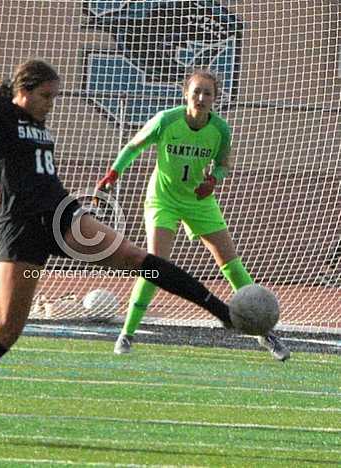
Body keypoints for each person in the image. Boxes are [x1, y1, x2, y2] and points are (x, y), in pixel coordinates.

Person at [0, 59, 238, 421]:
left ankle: (222, 312)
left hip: (62, 215)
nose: (52, 103)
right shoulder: (1, 110)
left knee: (138, 259)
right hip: (24, 230)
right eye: (46, 95)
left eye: (55, 96)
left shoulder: (37, 120)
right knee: (7, 330)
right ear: (23, 91)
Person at [95, 69, 290, 362]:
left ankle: (264, 332)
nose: (200, 97)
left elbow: (223, 164)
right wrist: (114, 172)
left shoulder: (221, 130)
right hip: (164, 199)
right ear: (185, 93)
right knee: (155, 265)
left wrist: (214, 180)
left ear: (215, 98)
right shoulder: (166, 120)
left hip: (200, 201)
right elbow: (133, 146)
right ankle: (127, 333)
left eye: (207, 93)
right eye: (196, 91)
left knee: (231, 264)